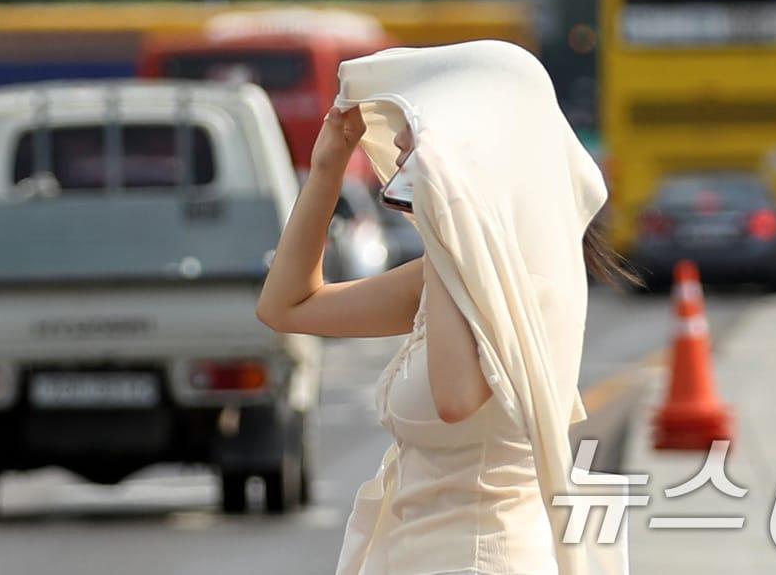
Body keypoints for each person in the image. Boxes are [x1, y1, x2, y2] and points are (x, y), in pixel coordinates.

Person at [256, 41, 634, 575]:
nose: (404, 168)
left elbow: (456, 397)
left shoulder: (534, 284)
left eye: (417, 152)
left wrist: (448, 223)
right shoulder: (444, 276)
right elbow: (287, 306)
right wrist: (326, 170)